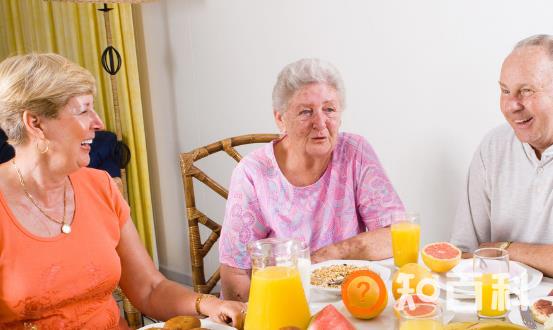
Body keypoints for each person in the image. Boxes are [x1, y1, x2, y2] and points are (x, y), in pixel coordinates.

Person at [0, 53, 246, 329]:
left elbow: (150, 289)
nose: (99, 122)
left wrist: (211, 304)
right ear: (35, 123)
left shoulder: (100, 186)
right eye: (83, 110)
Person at [219, 58, 405, 301]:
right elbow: (235, 274)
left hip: (349, 300)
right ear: (280, 119)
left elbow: (396, 236)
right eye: (306, 112)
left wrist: (325, 256)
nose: (320, 123)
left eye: (329, 109)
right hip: (281, 302)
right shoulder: (253, 173)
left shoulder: (355, 152)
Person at [451, 34, 553, 277]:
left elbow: (485, 252)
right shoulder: (493, 147)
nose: (511, 105)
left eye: (526, 91)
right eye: (505, 91)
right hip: (496, 302)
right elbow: (464, 253)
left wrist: (504, 249)